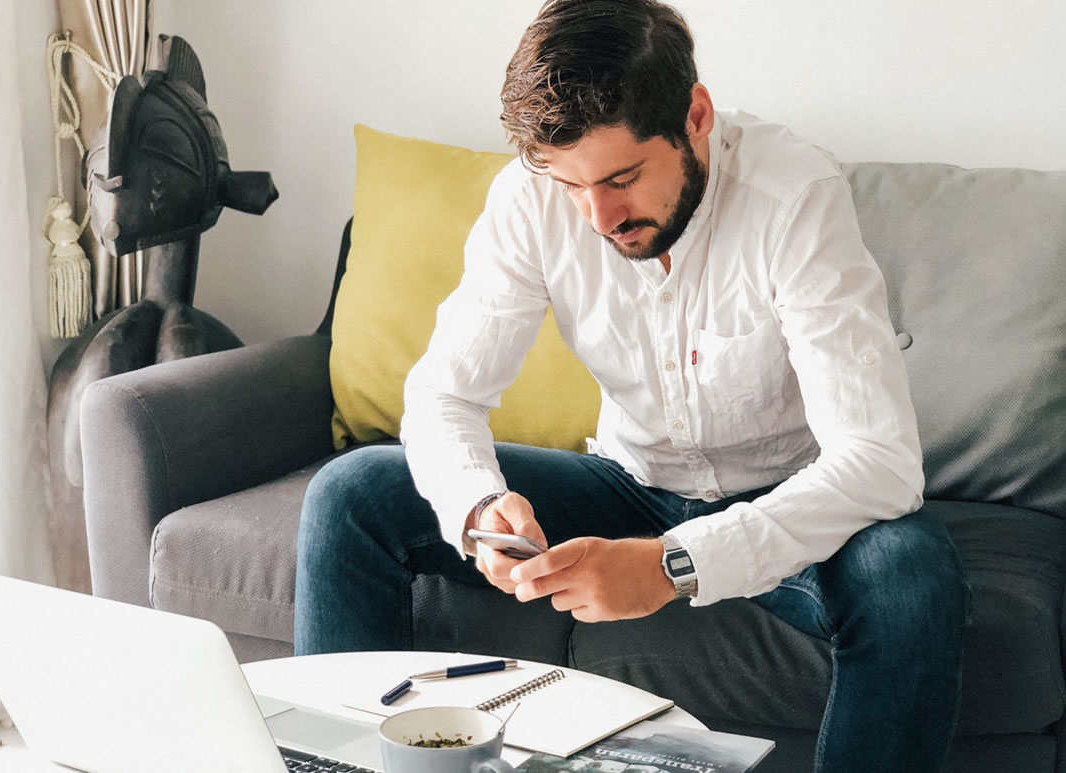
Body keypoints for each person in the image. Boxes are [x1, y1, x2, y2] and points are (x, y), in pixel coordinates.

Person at [295, 1, 969, 770]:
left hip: (796, 495)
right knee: (351, 493)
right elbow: (443, 395)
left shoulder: (795, 197)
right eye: (572, 185)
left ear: (698, 116)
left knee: (908, 575)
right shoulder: (534, 199)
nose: (599, 216)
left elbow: (878, 460)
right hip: (632, 480)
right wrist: (479, 504)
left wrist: (672, 563)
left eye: (622, 178)